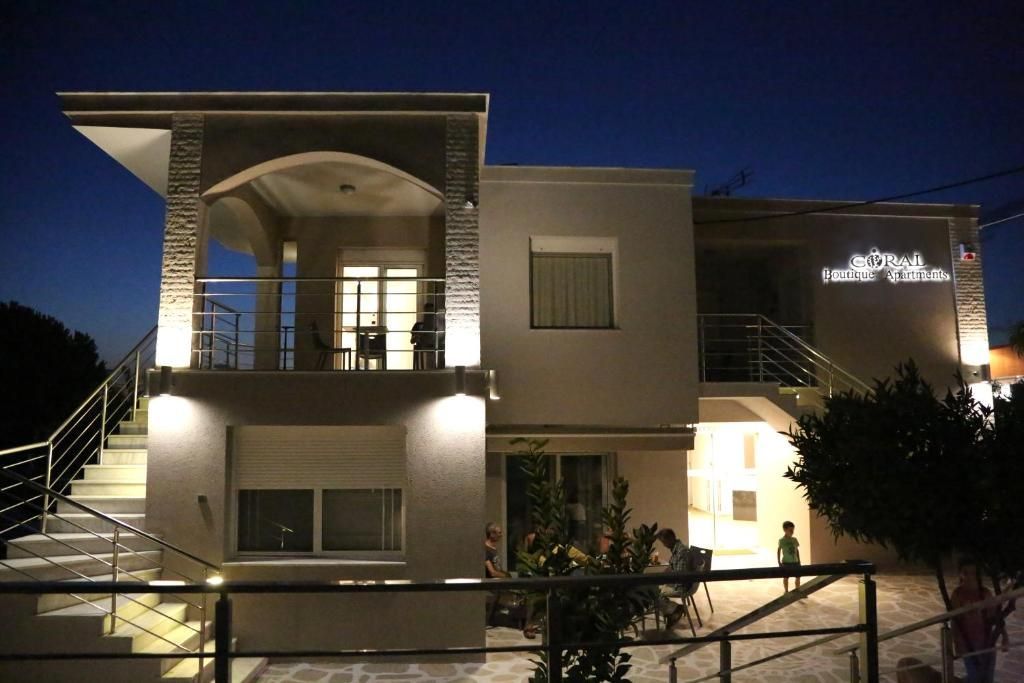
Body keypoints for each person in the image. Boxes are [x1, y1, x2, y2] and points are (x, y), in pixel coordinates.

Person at [950, 558, 1000, 683]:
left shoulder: (985, 593)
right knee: (974, 677)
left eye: (972, 572)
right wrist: (957, 644)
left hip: (986, 642)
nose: (969, 576)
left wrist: (1004, 636)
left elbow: (995, 617)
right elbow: (955, 621)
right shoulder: (958, 594)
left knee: (988, 678)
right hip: (968, 644)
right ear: (960, 574)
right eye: (965, 572)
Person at [653, 528, 688, 629]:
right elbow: (671, 567)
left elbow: (679, 575)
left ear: (670, 539)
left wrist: (665, 580)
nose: (664, 545)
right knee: (654, 588)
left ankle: (675, 609)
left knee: (653, 592)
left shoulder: (681, 551)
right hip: (679, 581)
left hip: (681, 585)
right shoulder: (676, 548)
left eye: (664, 542)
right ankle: (672, 611)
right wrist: (660, 577)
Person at [410, 303, 438, 369]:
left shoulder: (438, 326)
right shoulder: (418, 325)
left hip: (434, 346)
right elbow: (412, 341)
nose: (429, 315)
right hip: (423, 344)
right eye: (427, 312)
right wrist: (418, 336)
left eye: (431, 312)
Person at [777, 521, 801, 592]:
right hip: (786, 562)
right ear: (785, 530)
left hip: (795, 562)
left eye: (793, 530)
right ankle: (786, 591)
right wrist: (779, 562)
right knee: (786, 577)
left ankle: (797, 590)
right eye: (790, 530)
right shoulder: (781, 540)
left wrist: (799, 560)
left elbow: (797, 550)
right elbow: (778, 550)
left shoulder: (794, 539)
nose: (792, 532)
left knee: (798, 576)